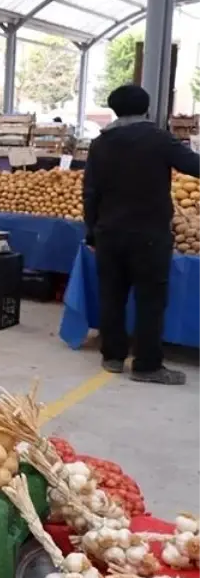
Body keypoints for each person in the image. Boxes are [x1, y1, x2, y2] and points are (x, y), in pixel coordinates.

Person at [83, 84, 200, 385]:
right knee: (150, 300)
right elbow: (193, 165)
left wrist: (92, 234)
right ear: (147, 108)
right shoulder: (158, 139)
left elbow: (90, 193)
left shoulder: (100, 143)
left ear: (114, 108)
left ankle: (112, 357)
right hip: (149, 234)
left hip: (109, 232)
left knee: (112, 296)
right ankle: (147, 365)